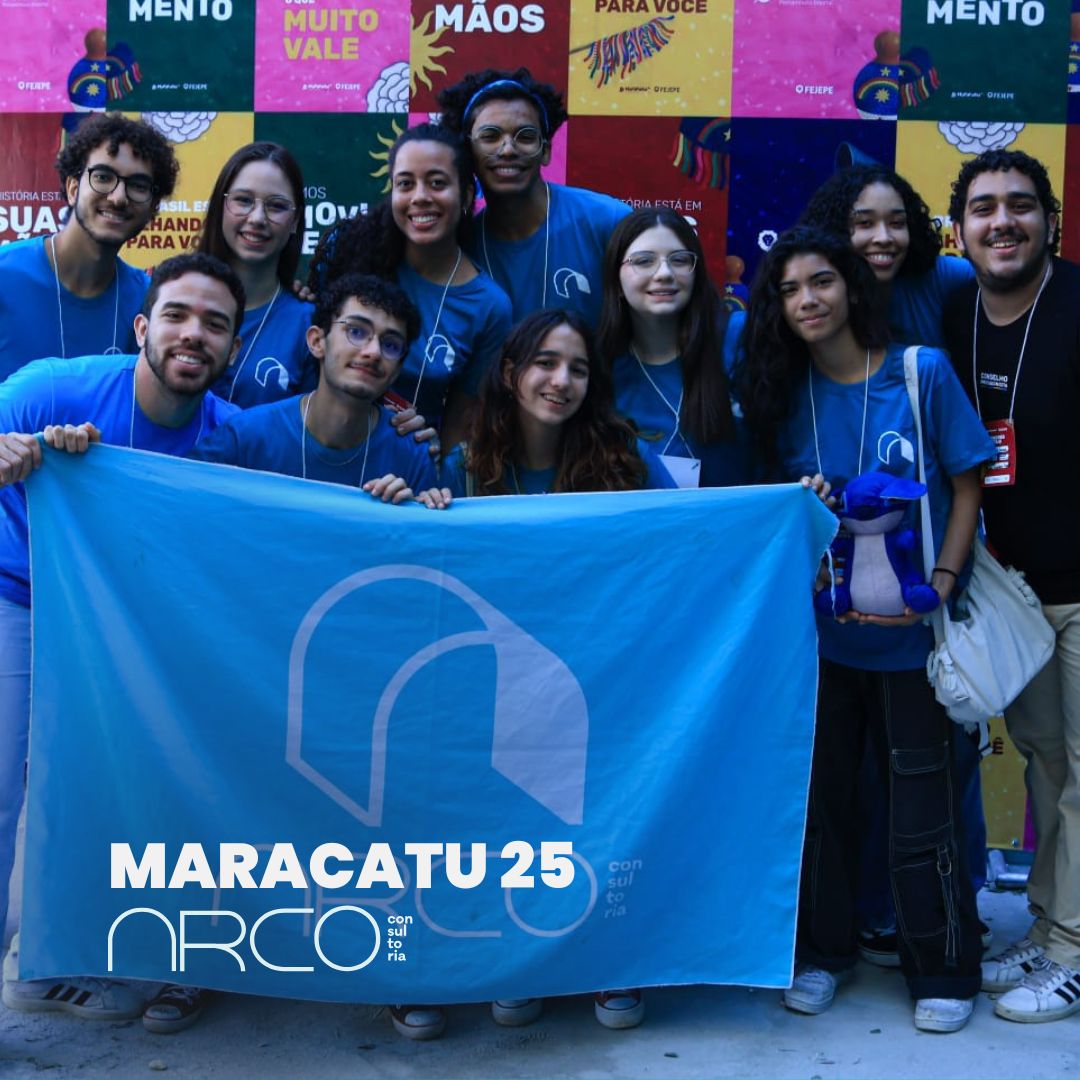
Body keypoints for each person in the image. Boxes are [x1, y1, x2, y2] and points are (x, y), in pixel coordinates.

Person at [740, 226, 993, 1033]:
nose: (807, 300)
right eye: (788, 290)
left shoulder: (919, 372)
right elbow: (774, 521)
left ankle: (942, 967)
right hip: (819, 645)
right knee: (823, 807)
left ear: (851, 286)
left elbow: (967, 484)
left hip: (913, 643)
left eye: (821, 281)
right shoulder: (781, 395)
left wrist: (941, 584)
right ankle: (822, 954)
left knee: (924, 809)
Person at [0, 253, 244, 1024]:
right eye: (177, 315)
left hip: (127, 628)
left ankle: (51, 965)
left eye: (215, 323)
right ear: (142, 327)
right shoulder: (51, 389)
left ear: (234, 346)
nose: (193, 334)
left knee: (103, 792)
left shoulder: (229, 436)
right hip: (19, 601)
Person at [801, 164, 990, 968]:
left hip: (932, 568)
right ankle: (863, 917)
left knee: (941, 764)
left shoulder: (943, 282)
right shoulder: (804, 349)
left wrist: (945, 577)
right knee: (850, 775)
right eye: (861, 223)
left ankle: (948, 911)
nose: (881, 238)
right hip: (842, 614)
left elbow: (965, 471)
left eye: (895, 221)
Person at [943, 149, 1080, 1024]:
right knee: (1046, 765)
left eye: (1021, 206)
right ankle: (1051, 925)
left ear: (1049, 222)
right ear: (959, 230)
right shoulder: (952, 313)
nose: (1003, 222)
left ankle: (1073, 952)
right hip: (1013, 592)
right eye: (984, 207)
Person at [308, 124, 512, 444]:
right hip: (319, 441)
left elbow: (461, 423)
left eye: (437, 183)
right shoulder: (349, 252)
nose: (420, 197)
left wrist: (434, 465)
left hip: (407, 459)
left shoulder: (489, 306)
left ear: (466, 194)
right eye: (405, 184)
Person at [193, 273, 447, 507]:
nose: (373, 352)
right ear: (316, 342)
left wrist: (412, 511)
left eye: (391, 345)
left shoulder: (411, 454)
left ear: (398, 369)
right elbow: (182, 500)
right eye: (356, 331)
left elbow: (424, 539)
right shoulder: (245, 437)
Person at [437, 68, 629, 326]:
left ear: (545, 150)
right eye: (490, 136)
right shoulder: (460, 246)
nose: (508, 149)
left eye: (525, 136)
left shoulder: (609, 221)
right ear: (467, 151)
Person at [0, 113, 178, 380]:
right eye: (103, 177)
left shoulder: (148, 301)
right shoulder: (5, 276)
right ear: (73, 189)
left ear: (153, 207)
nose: (118, 197)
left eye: (138, 186)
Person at [442, 308, 674, 499]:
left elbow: (680, 522)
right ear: (509, 374)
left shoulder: (625, 456)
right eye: (546, 363)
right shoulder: (466, 468)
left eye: (578, 370)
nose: (562, 381)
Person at [596, 206, 749, 489]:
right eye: (644, 261)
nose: (665, 273)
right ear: (615, 279)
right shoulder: (601, 369)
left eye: (679, 260)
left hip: (743, 516)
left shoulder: (736, 339)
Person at [197, 142, 318, 407]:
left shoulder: (308, 323)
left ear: (296, 221)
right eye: (243, 200)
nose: (257, 218)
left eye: (276, 206)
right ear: (220, 206)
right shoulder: (172, 300)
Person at [799, 164, 974, 347]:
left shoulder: (940, 276)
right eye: (865, 223)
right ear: (834, 230)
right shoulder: (812, 297)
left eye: (897, 223)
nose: (884, 238)